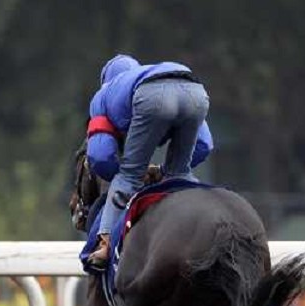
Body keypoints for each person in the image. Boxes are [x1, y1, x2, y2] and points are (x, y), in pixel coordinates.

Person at [85, 54, 214, 269]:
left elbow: (101, 156)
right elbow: (204, 146)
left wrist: (131, 174)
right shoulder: (147, 74)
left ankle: (106, 246)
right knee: (180, 176)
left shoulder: (103, 95)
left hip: (152, 96)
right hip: (195, 90)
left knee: (128, 176)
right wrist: (165, 172)